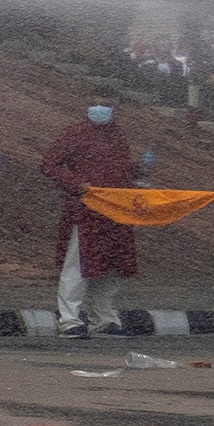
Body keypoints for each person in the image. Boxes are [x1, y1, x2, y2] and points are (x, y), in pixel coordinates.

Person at [41, 91, 145, 343]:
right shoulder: (75, 133)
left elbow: (118, 171)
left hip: (116, 212)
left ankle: (104, 320)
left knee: (113, 268)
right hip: (85, 210)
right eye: (95, 104)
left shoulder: (118, 137)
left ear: (115, 107)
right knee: (77, 265)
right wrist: (77, 185)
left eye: (105, 104)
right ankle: (70, 320)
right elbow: (49, 165)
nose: (100, 108)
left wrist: (136, 171)